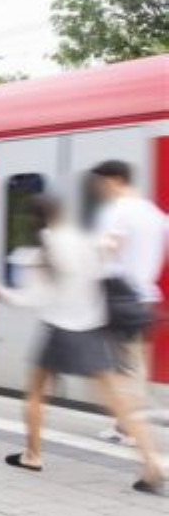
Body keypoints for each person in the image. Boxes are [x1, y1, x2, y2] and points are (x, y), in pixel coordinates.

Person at [0, 195, 163, 495]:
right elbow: (105, 263)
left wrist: (1, 293)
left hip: (60, 329)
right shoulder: (85, 239)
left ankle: (32, 455)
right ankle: (151, 464)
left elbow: (36, 297)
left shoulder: (46, 246)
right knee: (118, 400)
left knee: (35, 394)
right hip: (93, 329)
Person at [89, 160, 168, 445]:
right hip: (145, 297)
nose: (98, 188)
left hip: (118, 297)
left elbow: (108, 248)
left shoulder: (116, 210)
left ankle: (130, 427)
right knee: (133, 365)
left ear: (114, 180)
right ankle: (126, 424)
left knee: (112, 366)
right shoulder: (156, 215)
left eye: (99, 183)